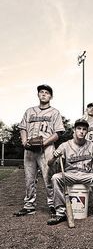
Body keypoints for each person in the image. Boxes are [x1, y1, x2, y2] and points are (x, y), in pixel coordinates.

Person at [47, 118, 93, 225]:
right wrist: (54, 157)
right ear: (74, 130)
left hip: (86, 175)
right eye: (79, 128)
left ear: (87, 131)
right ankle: (60, 213)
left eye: (84, 129)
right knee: (55, 178)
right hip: (69, 174)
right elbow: (49, 164)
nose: (81, 131)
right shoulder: (65, 145)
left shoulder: (92, 145)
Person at [15, 84, 65, 217]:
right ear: (38, 95)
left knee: (49, 178)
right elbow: (22, 128)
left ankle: (54, 205)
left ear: (51, 96)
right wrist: (24, 141)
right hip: (30, 149)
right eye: (41, 92)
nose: (43, 94)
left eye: (47, 93)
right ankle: (29, 205)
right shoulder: (29, 111)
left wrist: (44, 143)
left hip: (46, 149)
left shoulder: (55, 112)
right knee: (29, 178)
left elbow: (58, 133)